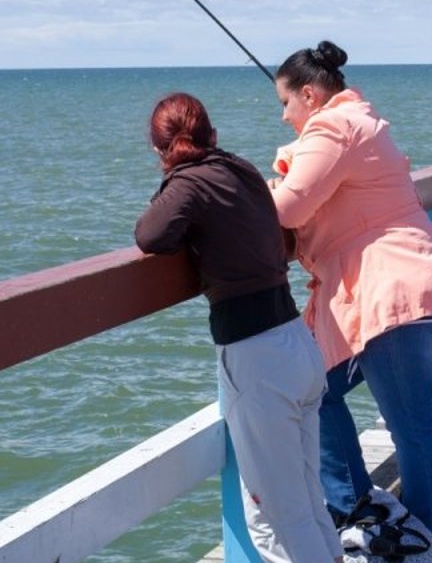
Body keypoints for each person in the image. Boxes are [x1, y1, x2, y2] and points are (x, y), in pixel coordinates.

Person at [267, 40, 432, 563]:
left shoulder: (333, 127)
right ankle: (362, 510)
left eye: (286, 104)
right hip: (401, 290)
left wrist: (243, 194)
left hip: (394, 296)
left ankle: (428, 547)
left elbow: (289, 207)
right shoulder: (357, 123)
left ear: (308, 94)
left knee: (412, 433)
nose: (285, 117)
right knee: (314, 390)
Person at [134, 93, 342, 563]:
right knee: (307, 503)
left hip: (258, 357)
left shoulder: (188, 184)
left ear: (159, 150)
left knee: (277, 521)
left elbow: (150, 234)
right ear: (214, 136)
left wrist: (173, 178)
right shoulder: (242, 170)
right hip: (296, 344)